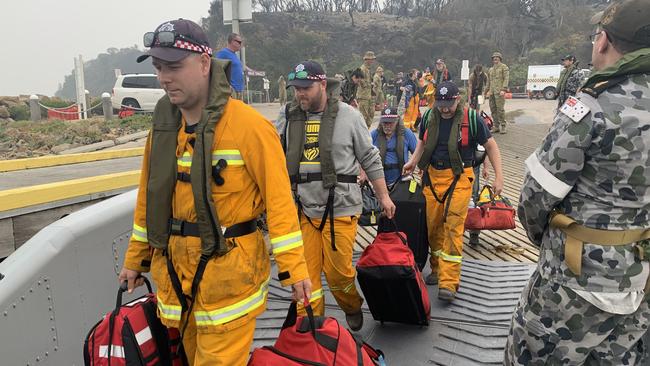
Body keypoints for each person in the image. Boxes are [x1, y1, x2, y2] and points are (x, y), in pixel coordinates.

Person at [120, 19, 311, 366]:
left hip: (227, 282)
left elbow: (280, 202)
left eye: (174, 67)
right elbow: (149, 197)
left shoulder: (249, 127)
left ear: (205, 63)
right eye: (159, 67)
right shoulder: (163, 129)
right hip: (177, 279)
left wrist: (294, 269)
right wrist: (136, 259)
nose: (164, 78)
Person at [505, 1, 650, 364]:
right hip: (640, 276)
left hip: (574, 281)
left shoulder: (591, 106)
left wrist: (549, 240)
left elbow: (535, 199)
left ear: (603, 42)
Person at [278, 60, 396, 331]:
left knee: (338, 274)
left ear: (322, 84)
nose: (300, 94)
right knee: (304, 276)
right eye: (296, 89)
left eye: (306, 88)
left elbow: (369, 157)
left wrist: (384, 197)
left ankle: (351, 305)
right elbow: (273, 156)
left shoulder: (349, 116)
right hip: (302, 209)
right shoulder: (289, 116)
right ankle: (311, 328)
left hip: (340, 206)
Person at [403, 81, 503, 302]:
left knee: (453, 228)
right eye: (440, 103)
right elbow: (421, 143)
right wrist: (413, 161)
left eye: (449, 103)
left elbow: (491, 146)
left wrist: (499, 176)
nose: (445, 108)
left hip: (458, 178)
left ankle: (449, 282)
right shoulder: (429, 116)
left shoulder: (472, 119)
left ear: (458, 99)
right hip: (431, 177)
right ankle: (437, 268)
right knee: (433, 227)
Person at [371, 107, 418, 187]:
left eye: (390, 123)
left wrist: (413, 165)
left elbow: (418, 153)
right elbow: (364, 155)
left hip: (401, 181)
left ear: (396, 121)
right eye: (385, 123)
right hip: (379, 181)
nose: (387, 126)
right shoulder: (374, 135)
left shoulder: (406, 134)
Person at [485, 52, 509, 134]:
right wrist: (485, 92)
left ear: (500, 58)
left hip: (499, 92)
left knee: (500, 109)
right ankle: (496, 126)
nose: (495, 59)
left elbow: (506, 78)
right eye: (494, 58)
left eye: (497, 57)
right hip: (492, 92)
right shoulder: (490, 70)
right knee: (493, 109)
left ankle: (503, 126)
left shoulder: (504, 67)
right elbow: (488, 82)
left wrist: (504, 89)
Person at [215, 33, 244, 99]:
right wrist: (227, 86)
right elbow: (216, 70)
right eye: (239, 42)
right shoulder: (223, 53)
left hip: (239, 90)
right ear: (232, 41)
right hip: (231, 91)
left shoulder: (234, 55)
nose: (240, 44)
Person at [357, 51, 377, 127]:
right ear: (366, 59)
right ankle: (361, 135)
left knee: (370, 115)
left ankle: (366, 132)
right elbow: (360, 80)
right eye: (371, 59)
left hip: (368, 96)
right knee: (363, 117)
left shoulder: (368, 69)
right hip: (363, 96)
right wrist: (369, 84)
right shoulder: (362, 69)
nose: (372, 61)